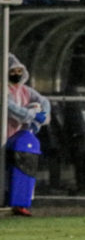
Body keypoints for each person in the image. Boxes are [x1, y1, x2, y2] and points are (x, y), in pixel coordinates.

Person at [6, 54, 51, 216]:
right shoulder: (4, 90)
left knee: (19, 169)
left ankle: (18, 202)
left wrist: (42, 115)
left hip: (17, 137)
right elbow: (11, 108)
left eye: (19, 70)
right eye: (13, 70)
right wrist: (31, 114)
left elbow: (43, 101)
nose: (16, 74)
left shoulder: (25, 91)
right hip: (5, 134)